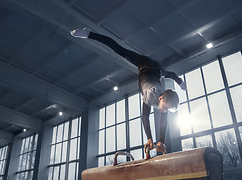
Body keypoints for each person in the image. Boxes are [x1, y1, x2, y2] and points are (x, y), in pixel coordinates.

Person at [70, 27, 186, 155]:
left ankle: (180, 82)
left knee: (170, 74)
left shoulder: (166, 100)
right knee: (118, 49)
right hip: (144, 64)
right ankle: (88, 34)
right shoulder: (151, 94)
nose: (164, 111)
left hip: (157, 70)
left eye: (167, 109)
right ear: (160, 98)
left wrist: (161, 141)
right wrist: (149, 138)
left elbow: (164, 122)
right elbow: (145, 116)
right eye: (165, 107)